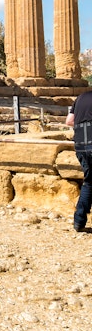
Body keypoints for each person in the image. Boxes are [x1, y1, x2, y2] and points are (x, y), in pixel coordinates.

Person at [66, 92, 92, 232]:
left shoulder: (80, 98)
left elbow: (69, 121)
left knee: (89, 182)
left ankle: (79, 221)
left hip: (81, 145)